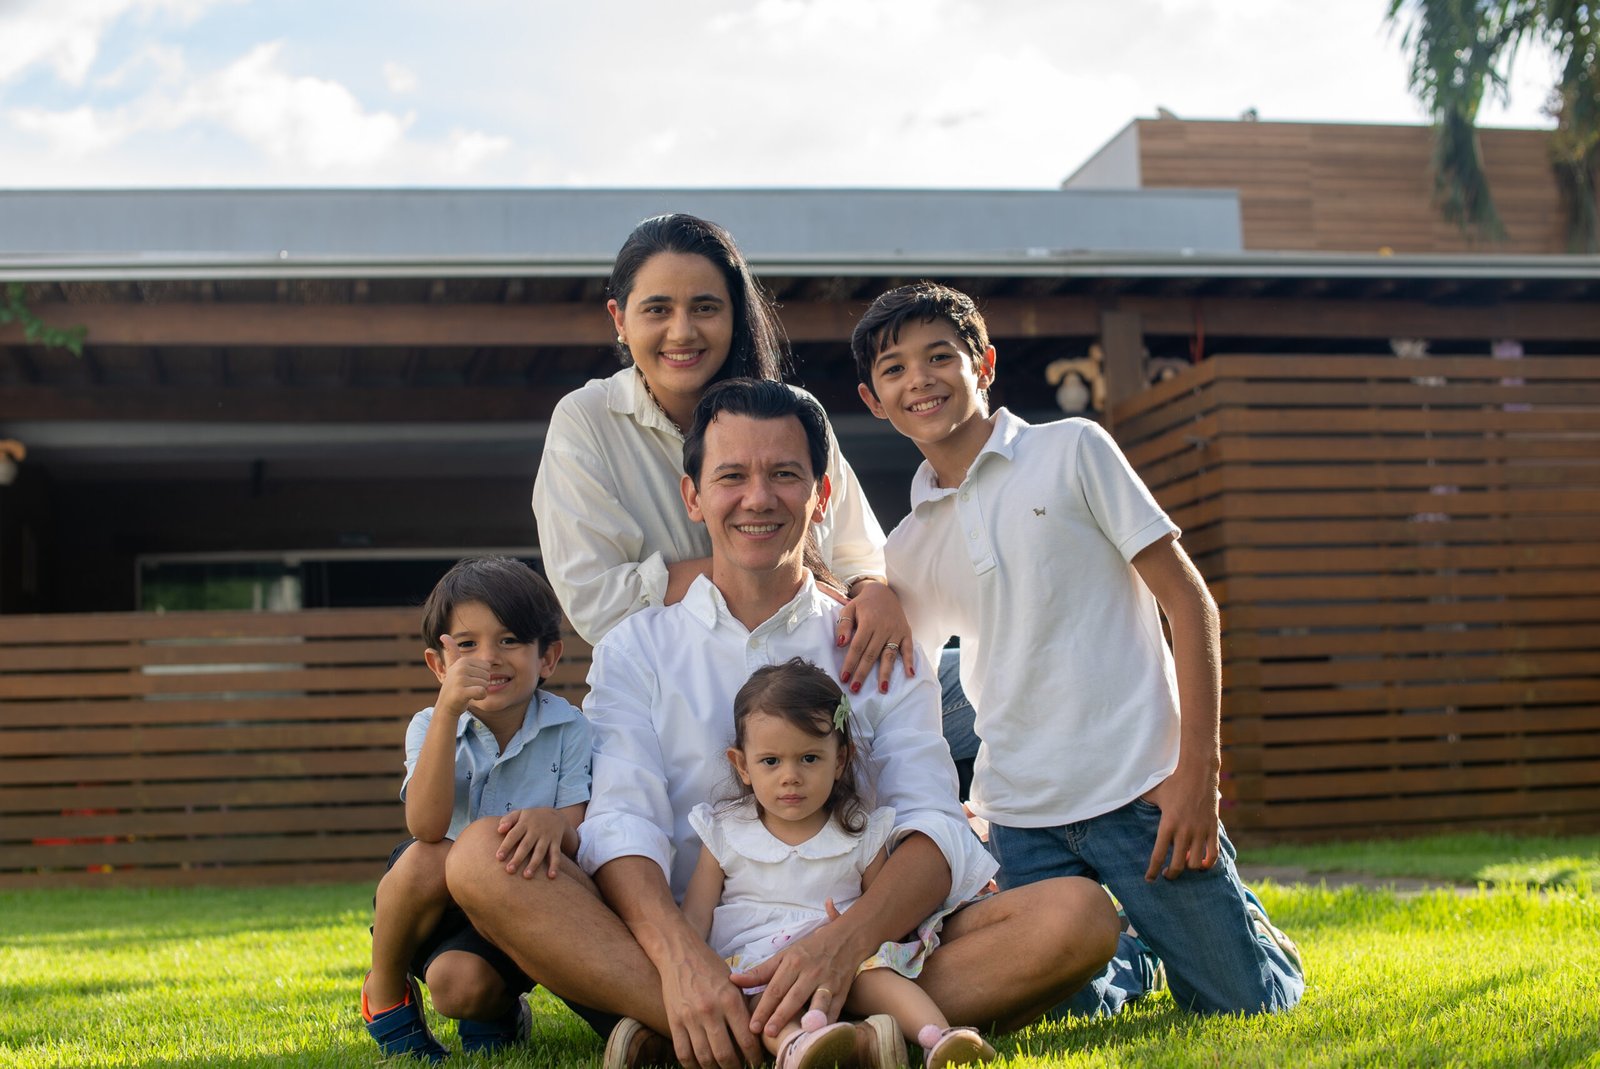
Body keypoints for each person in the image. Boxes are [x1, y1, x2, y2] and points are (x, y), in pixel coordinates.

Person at [446, 379, 1119, 1069]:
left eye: (785, 475)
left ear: (822, 496)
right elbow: (624, 820)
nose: (758, 498)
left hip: (860, 947)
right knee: (478, 860)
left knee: (1080, 914)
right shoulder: (637, 646)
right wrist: (683, 960)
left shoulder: (877, 639)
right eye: (731, 476)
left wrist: (843, 942)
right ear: (694, 496)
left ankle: (720, 1038)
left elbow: (931, 820)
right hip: (683, 944)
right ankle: (788, 1029)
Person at [851, 282, 1305, 1017]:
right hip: (1021, 816)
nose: (920, 380)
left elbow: (1190, 603)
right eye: (894, 368)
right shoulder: (908, 545)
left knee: (1245, 1002)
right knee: (1060, 1008)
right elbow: (913, 698)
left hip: (1142, 789)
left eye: (940, 356)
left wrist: (1196, 773)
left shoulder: (1073, 449)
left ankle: (1248, 932)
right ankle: (1137, 951)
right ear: (873, 399)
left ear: (984, 364)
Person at [532, 212, 914, 694]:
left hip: (819, 685)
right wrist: (757, 573)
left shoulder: (796, 413)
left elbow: (861, 554)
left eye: (706, 307)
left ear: (736, 315)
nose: (682, 332)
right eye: (657, 310)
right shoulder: (586, 420)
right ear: (619, 320)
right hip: (678, 694)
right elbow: (599, 603)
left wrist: (874, 592)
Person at [683, 658, 996, 1069]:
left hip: (843, 959)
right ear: (742, 765)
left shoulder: (861, 831)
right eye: (771, 762)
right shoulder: (724, 831)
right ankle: (797, 1046)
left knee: (877, 976)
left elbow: (886, 908)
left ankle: (938, 1035)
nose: (790, 776)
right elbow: (694, 917)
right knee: (764, 997)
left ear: (841, 760)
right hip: (756, 961)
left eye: (809, 759)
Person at [362, 557, 593, 1061]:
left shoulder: (571, 729)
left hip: (512, 901)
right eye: (467, 645)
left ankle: (496, 1008)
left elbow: (577, 829)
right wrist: (448, 712)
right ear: (439, 665)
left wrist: (555, 821)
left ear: (548, 657)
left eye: (510, 641)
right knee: (428, 854)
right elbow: (426, 825)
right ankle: (383, 992)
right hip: (431, 901)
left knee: (458, 988)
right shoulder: (428, 724)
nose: (489, 658)